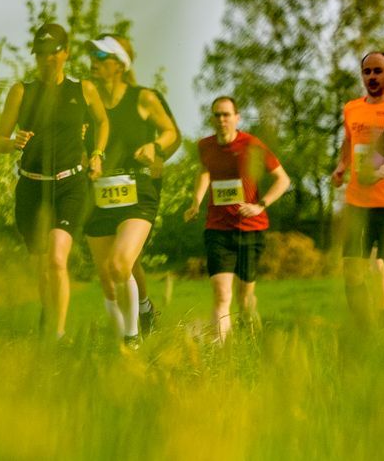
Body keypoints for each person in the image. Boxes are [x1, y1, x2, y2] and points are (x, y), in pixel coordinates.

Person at [0, 23, 107, 340]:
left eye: (52, 53)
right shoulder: (21, 91)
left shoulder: (82, 89)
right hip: (31, 186)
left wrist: (97, 153)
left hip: (69, 184)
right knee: (41, 266)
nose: (46, 60)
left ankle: (56, 335)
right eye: (40, 54)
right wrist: (12, 140)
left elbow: (101, 120)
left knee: (57, 258)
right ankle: (49, 315)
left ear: (65, 53)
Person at [83, 33, 180, 342]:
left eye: (100, 57)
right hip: (99, 194)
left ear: (119, 65)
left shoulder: (143, 98)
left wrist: (155, 147)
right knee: (111, 276)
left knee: (119, 262)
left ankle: (132, 340)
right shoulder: (87, 102)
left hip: (138, 191)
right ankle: (139, 313)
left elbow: (171, 133)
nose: (93, 63)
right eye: (92, 57)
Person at [185, 95, 291, 343]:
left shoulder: (252, 145)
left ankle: (251, 344)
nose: (221, 120)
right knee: (222, 296)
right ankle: (222, 354)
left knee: (245, 300)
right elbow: (204, 171)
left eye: (226, 114)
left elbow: (283, 179)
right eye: (217, 115)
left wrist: (259, 205)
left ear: (237, 118)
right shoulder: (206, 146)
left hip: (250, 230)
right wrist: (196, 201)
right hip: (217, 229)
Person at [331, 50, 384, 328]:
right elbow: (349, 141)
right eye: (367, 72)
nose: (372, 77)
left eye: (377, 71)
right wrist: (341, 166)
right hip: (357, 205)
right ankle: (363, 328)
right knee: (352, 270)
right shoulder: (351, 108)